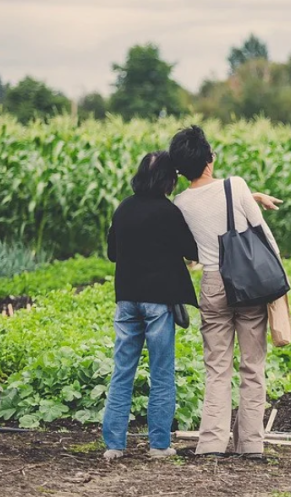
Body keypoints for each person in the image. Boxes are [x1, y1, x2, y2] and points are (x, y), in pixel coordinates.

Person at [169, 125, 291, 459]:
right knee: (252, 366)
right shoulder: (235, 186)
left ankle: (210, 443)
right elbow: (263, 235)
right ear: (209, 158)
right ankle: (251, 444)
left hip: (212, 283)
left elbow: (192, 250)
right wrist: (278, 284)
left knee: (216, 367)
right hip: (249, 284)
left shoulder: (179, 203)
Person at [102, 151, 198, 460]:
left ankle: (114, 446)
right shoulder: (168, 212)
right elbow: (191, 250)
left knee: (122, 372)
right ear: (168, 180)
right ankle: (159, 446)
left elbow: (113, 253)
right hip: (159, 303)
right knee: (161, 372)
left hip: (127, 300)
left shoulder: (123, 209)